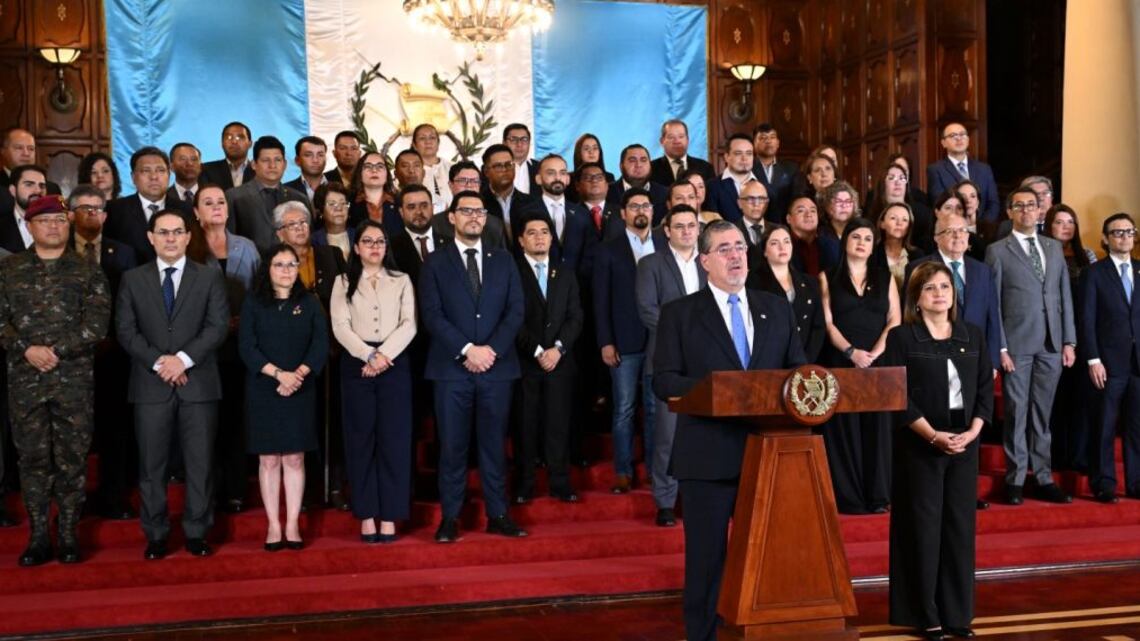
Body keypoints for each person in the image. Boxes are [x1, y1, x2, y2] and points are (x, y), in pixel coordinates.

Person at [653, 219, 806, 641]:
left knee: (769, 556)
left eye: (740, 246)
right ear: (704, 261)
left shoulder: (776, 307)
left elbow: (798, 370)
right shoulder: (680, 314)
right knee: (707, 560)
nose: (736, 255)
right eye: (724, 249)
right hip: (707, 457)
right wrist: (720, 391)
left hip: (769, 453)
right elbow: (663, 381)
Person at [882, 261, 993, 641]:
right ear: (916, 297)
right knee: (923, 531)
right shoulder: (902, 338)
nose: (939, 294)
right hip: (920, 446)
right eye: (930, 288)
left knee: (959, 530)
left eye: (945, 286)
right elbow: (897, 395)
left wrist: (973, 432)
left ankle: (957, 614)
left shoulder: (972, 335)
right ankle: (925, 614)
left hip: (964, 445)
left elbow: (984, 390)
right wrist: (932, 436)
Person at [0, 196, 109, 565]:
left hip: (72, 381)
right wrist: (27, 349)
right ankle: (38, 536)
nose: (53, 226)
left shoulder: (87, 270)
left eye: (60, 220)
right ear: (30, 226)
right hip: (25, 381)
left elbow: (96, 325)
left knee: (72, 460)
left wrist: (56, 350)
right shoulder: (9, 269)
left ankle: (67, 535)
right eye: (44, 220)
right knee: (32, 459)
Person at [115, 209, 229, 560]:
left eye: (177, 232)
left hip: (198, 384)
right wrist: (162, 363)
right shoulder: (132, 279)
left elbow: (217, 326)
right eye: (163, 232)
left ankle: (197, 532)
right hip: (151, 385)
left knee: (200, 464)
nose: (170, 238)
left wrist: (183, 359)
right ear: (151, 238)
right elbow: (125, 331)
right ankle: (156, 534)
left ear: (188, 237)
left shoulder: (209, 277)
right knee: (152, 466)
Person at [420, 191, 526, 543]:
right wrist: (467, 349)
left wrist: (491, 350)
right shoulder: (435, 262)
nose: (474, 217)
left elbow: (516, 311)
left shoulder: (504, 259)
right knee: (452, 447)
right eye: (466, 211)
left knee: (494, 446)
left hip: (497, 368)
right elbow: (432, 314)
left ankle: (498, 514)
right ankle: (450, 517)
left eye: (479, 211)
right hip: (452, 370)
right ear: (451, 217)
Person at [985, 188, 1075, 505]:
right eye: (1019, 206)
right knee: (1016, 412)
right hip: (1016, 345)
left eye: (1032, 205)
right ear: (1009, 212)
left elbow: (1064, 296)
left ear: (1040, 211)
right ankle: (1016, 479)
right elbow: (994, 304)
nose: (1026, 210)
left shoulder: (1053, 247)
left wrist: (1069, 341)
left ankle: (1044, 478)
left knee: (1042, 415)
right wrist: (1001, 348)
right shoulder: (997, 251)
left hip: (1052, 343)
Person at [331, 220, 417, 542]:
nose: (374, 247)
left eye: (380, 241)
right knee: (361, 440)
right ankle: (366, 514)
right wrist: (368, 356)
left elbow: (409, 324)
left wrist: (383, 357)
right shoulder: (343, 281)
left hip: (394, 362)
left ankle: (390, 515)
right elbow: (340, 326)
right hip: (357, 363)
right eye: (367, 241)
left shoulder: (401, 279)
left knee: (394, 440)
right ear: (356, 247)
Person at [239, 243, 328, 550]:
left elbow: (320, 344)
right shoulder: (253, 302)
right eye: (279, 264)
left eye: (292, 264)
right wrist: (279, 375)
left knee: (294, 457)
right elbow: (247, 346)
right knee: (268, 459)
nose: (287, 270)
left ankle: (291, 524)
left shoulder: (310, 302)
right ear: (268, 268)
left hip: (301, 387)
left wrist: (297, 375)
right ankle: (273, 525)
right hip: (264, 387)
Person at [186, 184, 261, 514]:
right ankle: (208, 491)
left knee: (235, 419)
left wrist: (244, 321)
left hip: (240, 348)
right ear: (196, 212)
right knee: (205, 423)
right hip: (201, 350)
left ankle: (236, 490)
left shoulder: (247, 246)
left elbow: (259, 292)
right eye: (208, 202)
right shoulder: (188, 246)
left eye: (220, 202)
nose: (216, 207)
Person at [820, 217, 901, 513]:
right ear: (846, 242)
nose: (862, 243)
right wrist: (851, 352)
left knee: (878, 429)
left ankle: (879, 497)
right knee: (846, 430)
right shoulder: (828, 276)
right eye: (856, 237)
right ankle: (849, 498)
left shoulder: (885, 277)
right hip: (841, 361)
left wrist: (875, 352)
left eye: (867, 239)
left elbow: (894, 319)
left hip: (879, 362)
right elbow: (827, 322)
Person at [69, 184, 140, 520]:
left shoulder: (123, 252)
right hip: (69, 359)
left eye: (97, 208)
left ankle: (115, 496)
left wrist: (114, 338)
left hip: (114, 355)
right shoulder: (58, 251)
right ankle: (73, 502)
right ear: (71, 215)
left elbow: (132, 303)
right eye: (84, 208)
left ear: (106, 215)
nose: (91, 214)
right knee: (72, 434)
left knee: (115, 430)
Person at [635, 204, 706, 526]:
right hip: (668, 360)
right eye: (679, 226)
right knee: (667, 435)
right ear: (667, 231)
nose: (686, 231)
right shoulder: (651, 264)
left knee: (706, 434)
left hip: (707, 361)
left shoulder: (709, 262)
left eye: (691, 225)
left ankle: (697, 497)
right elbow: (647, 310)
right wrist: (686, 336)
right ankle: (665, 501)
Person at [513, 214, 583, 504]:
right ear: (521, 240)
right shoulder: (512, 272)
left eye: (544, 232)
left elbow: (575, 316)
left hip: (559, 362)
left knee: (558, 424)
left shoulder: (565, 273)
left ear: (552, 238)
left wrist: (558, 349)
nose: (539, 237)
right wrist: (537, 351)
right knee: (525, 425)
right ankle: (525, 484)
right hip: (525, 362)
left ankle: (560, 482)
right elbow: (512, 318)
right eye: (532, 232)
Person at [594, 190, 660, 493]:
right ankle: (623, 471)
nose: (640, 210)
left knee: (655, 408)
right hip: (623, 341)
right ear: (623, 213)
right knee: (624, 409)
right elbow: (600, 300)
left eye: (645, 205)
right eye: (634, 206)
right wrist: (606, 341)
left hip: (658, 340)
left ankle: (654, 469)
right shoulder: (609, 250)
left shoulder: (664, 245)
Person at [1080, 213, 1140, 502]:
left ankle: (1136, 483)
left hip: (1138, 364)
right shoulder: (1094, 273)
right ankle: (1103, 483)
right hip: (1108, 363)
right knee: (1104, 425)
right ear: (1105, 238)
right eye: (1117, 232)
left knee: (1136, 428)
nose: (1124, 237)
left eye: (1129, 231)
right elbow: (1087, 320)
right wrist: (1093, 359)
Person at [1042, 203, 1095, 473]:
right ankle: (1056, 455)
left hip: (1083, 333)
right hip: (1052, 334)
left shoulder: (1087, 256)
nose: (1066, 227)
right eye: (1060, 222)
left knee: (1081, 398)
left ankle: (1079, 455)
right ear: (1049, 225)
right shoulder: (1041, 254)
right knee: (1057, 398)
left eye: (1071, 222)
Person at [746, 223, 825, 362]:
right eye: (774, 243)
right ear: (765, 251)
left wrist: (805, 361)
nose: (782, 247)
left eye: (787, 241)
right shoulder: (752, 283)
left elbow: (818, 326)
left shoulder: (810, 282)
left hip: (805, 361)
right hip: (769, 361)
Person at [104, 147, 192, 263]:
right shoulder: (114, 210)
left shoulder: (187, 210)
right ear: (133, 177)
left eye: (160, 170)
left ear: (169, 175)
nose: (154, 177)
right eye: (146, 171)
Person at [225, 136, 308, 253]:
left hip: (292, 263)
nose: (272, 166)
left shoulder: (299, 198)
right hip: (249, 263)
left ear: (285, 164)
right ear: (253, 164)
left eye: (277, 160)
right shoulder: (234, 197)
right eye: (265, 160)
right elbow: (228, 240)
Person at [522, 154, 595, 272]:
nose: (557, 178)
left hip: (576, 282)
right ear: (538, 179)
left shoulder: (582, 214)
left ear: (568, 179)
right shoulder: (525, 213)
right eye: (551, 173)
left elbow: (590, 255)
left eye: (562, 173)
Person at [925, 123, 1000, 222]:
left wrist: (979, 226)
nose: (959, 138)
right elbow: (939, 203)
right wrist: (961, 225)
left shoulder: (984, 169)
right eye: (953, 135)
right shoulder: (935, 170)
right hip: (953, 226)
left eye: (962, 134)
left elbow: (993, 203)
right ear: (943, 143)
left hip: (982, 227)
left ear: (968, 140)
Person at [434, 161, 507, 247]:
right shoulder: (436, 224)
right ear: (451, 185)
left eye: (474, 181)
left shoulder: (495, 224)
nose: (469, 185)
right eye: (462, 181)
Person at [867, 162, 935, 254]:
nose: (897, 182)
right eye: (891, 178)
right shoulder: (873, 214)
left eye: (902, 178)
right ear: (882, 184)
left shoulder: (922, 214)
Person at [482, 143, 537, 241]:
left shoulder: (531, 203)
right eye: (498, 166)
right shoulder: (480, 205)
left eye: (508, 165)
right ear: (486, 172)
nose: (504, 170)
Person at [605, 144, 668, 226]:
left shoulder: (665, 194)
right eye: (632, 160)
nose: (638, 165)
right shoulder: (606, 193)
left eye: (643, 160)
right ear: (621, 166)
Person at [751, 123, 798, 224]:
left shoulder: (791, 169)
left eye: (772, 137)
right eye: (763, 138)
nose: (768, 141)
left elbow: (796, 198)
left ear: (778, 143)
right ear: (753, 144)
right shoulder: (748, 169)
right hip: (756, 224)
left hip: (784, 224)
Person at [347, 150, 400, 239]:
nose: (374, 170)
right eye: (368, 166)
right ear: (360, 173)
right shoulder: (349, 202)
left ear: (387, 174)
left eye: (380, 166)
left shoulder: (399, 202)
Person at [708, 133, 757, 223]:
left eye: (749, 153)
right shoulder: (712, 187)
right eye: (738, 153)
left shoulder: (764, 187)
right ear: (727, 157)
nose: (744, 158)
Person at [650, 119, 715, 186]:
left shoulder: (705, 168)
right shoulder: (651, 169)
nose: (677, 141)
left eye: (681, 137)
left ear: (687, 140)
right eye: (671, 137)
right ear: (662, 141)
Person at [878, 202, 923, 291]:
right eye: (893, 218)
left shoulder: (918, 255)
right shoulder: (872, 253)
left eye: (904, 220)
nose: (899, 223)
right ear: (882, 223)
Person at [1, 164, 47, 253]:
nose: (38, 191)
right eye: (29, 185)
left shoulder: (58, 225)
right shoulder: (2, 226)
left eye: (42, 186)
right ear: (13, 190)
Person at [817, 180, 860, 269]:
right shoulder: (820, 235)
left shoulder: (861, 231)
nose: (843, 206)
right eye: (838, 201)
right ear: (828, 206)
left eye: (848, 201)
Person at [200, 121, 254, 190]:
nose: (234, 141)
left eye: (240, 137)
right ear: (222, 143)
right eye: (229, 137)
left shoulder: (258, 171)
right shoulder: (205, 170)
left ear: (250, 144)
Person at [412, 124, 451, 214]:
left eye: (432, 138)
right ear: (414, 145)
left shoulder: (451, 168)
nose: (428, 142)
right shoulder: (409, 171)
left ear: (438, 142)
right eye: (422, 138)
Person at [311, 182, 354, 261]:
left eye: (343, 203)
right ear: (321, 211)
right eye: (332, 204)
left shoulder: (359, 235)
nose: (339, 208)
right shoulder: (313, 241)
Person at [285, 136, 329, 205]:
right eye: (308, 155)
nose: (315, 160)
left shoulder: (340, 185)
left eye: (320, 155)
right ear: (297, 160)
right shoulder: (285, 191)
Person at [787, 195, 825, 276]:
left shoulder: (828, 244)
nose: (809, 214)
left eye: (813, 211)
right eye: (801, 211)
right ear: (789, 219)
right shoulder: (784, 245)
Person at [734, 180, 770, 258]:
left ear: (767, 202)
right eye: (750, 199)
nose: (756, 204)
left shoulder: (778, 231)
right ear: (739, 203)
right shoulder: (731, 232)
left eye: (761, 199)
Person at [503, 123, 539, 195]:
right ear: (504, 143)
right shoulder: (494, 168)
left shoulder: (540, 168)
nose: (519, 144)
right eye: (513, 139)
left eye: (524, 139)